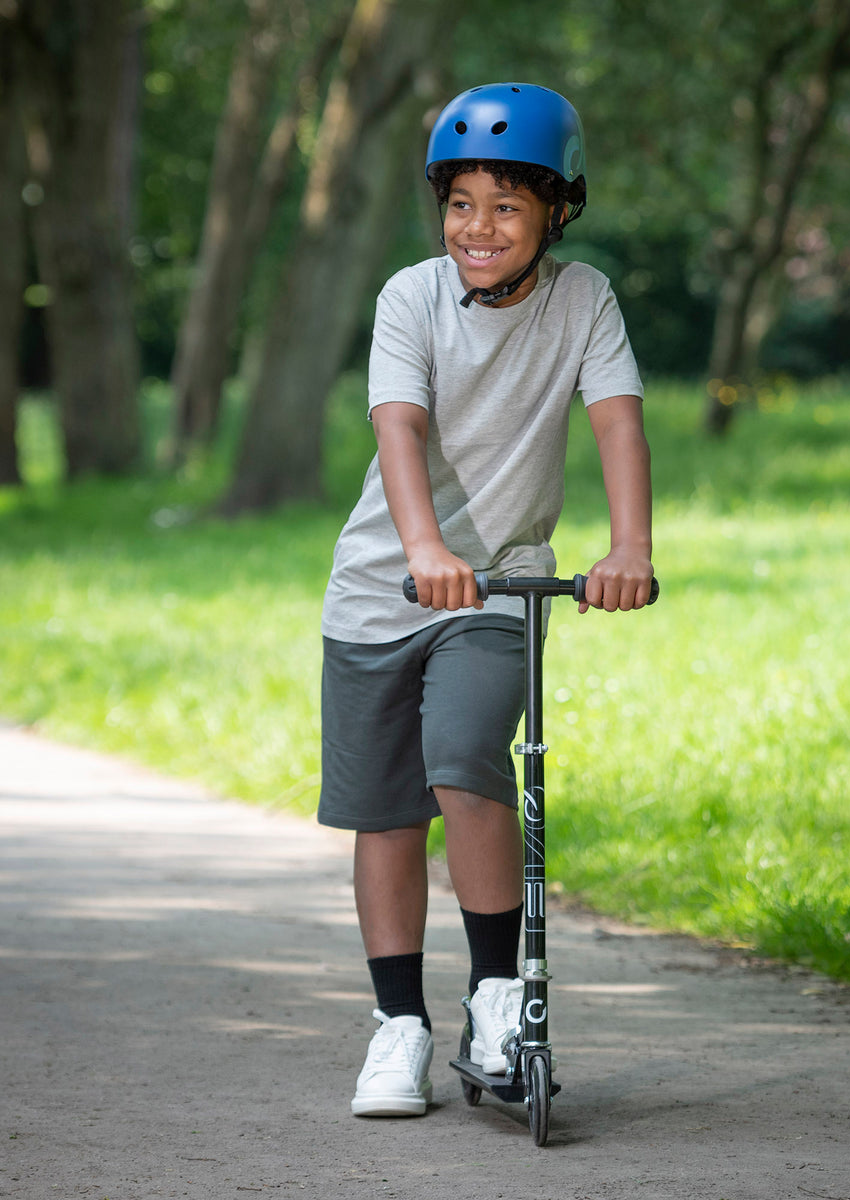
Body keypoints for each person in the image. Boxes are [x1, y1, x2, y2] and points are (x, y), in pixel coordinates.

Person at [318, 81, 653, 1117]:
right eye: (462, 202)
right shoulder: (410, 298)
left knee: (466, 767)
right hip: (383, 586)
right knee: (383, 815)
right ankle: (397, 1028)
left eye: (507, 206)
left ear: (558, 209)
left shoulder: (583, 298)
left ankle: (498, 998)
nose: (480, 227)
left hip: (500, 583)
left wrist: (628, 545)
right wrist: (421, 545)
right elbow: (398, 426)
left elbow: (616, 423)